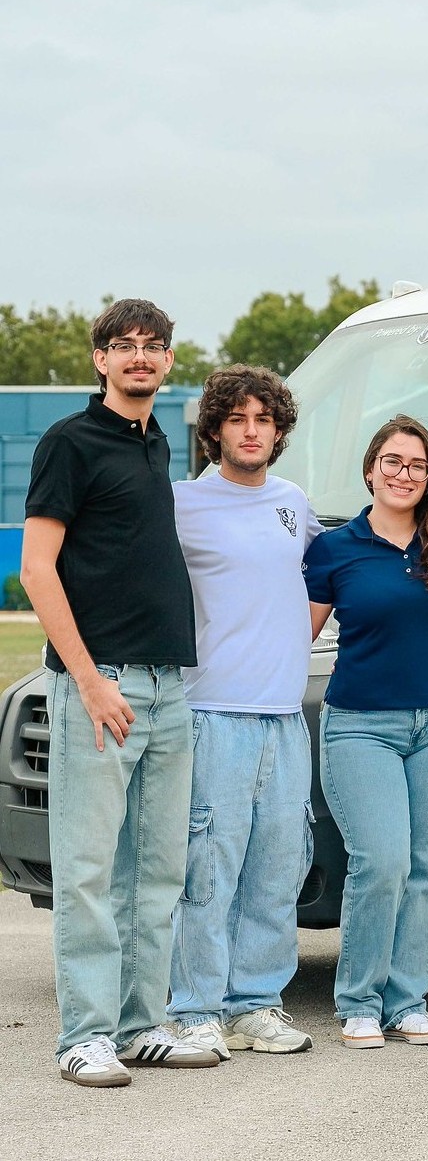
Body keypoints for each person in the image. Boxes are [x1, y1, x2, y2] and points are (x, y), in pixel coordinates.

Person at [20, 298, 219, 1086]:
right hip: (100, 687)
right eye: (123, 345)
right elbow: (38, 569)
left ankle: (141, 1026)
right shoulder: (69, 442)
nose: (140, 357)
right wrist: (91, 678)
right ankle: (84, 1035)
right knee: (90, 871)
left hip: (168, 688)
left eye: (153, 346)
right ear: (99, 358)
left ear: (169, 361)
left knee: (157, 872)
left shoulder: (153, 442)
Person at [302, 415, 428, 1050]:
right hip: (361, 727)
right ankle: (359, 1002)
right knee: (381, 862)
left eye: (418, 465)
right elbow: (298, 636)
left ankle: (408, 1002)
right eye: (394, 462)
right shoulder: (334, 549)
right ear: (371, 469)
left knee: (427, 867)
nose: (405, 474)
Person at [167, 366, 320, 1060]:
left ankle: (255, 1001)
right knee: (208, 867)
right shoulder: (182, 504)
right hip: (213, 713)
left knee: (276, 866)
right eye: (237, 418)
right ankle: (194, 1006)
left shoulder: (295, 504)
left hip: (284, 716)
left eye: (263, 418)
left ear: (279, 430)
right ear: (214, 429)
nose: (251, 430)